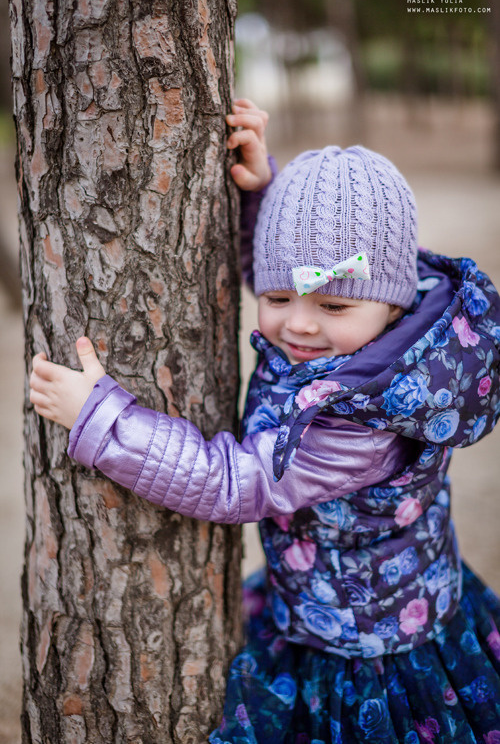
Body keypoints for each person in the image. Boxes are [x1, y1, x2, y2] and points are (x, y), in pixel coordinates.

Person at [29, 99, 500, 743]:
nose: (299, 324)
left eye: (332, 304)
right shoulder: (356, 327)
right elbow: (301, 276)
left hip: (364, 642)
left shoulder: (361, 419)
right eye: (278, 299)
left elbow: (237, 482)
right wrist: (261, 196)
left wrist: (103, 422)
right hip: (331, 587)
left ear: (393, 304)